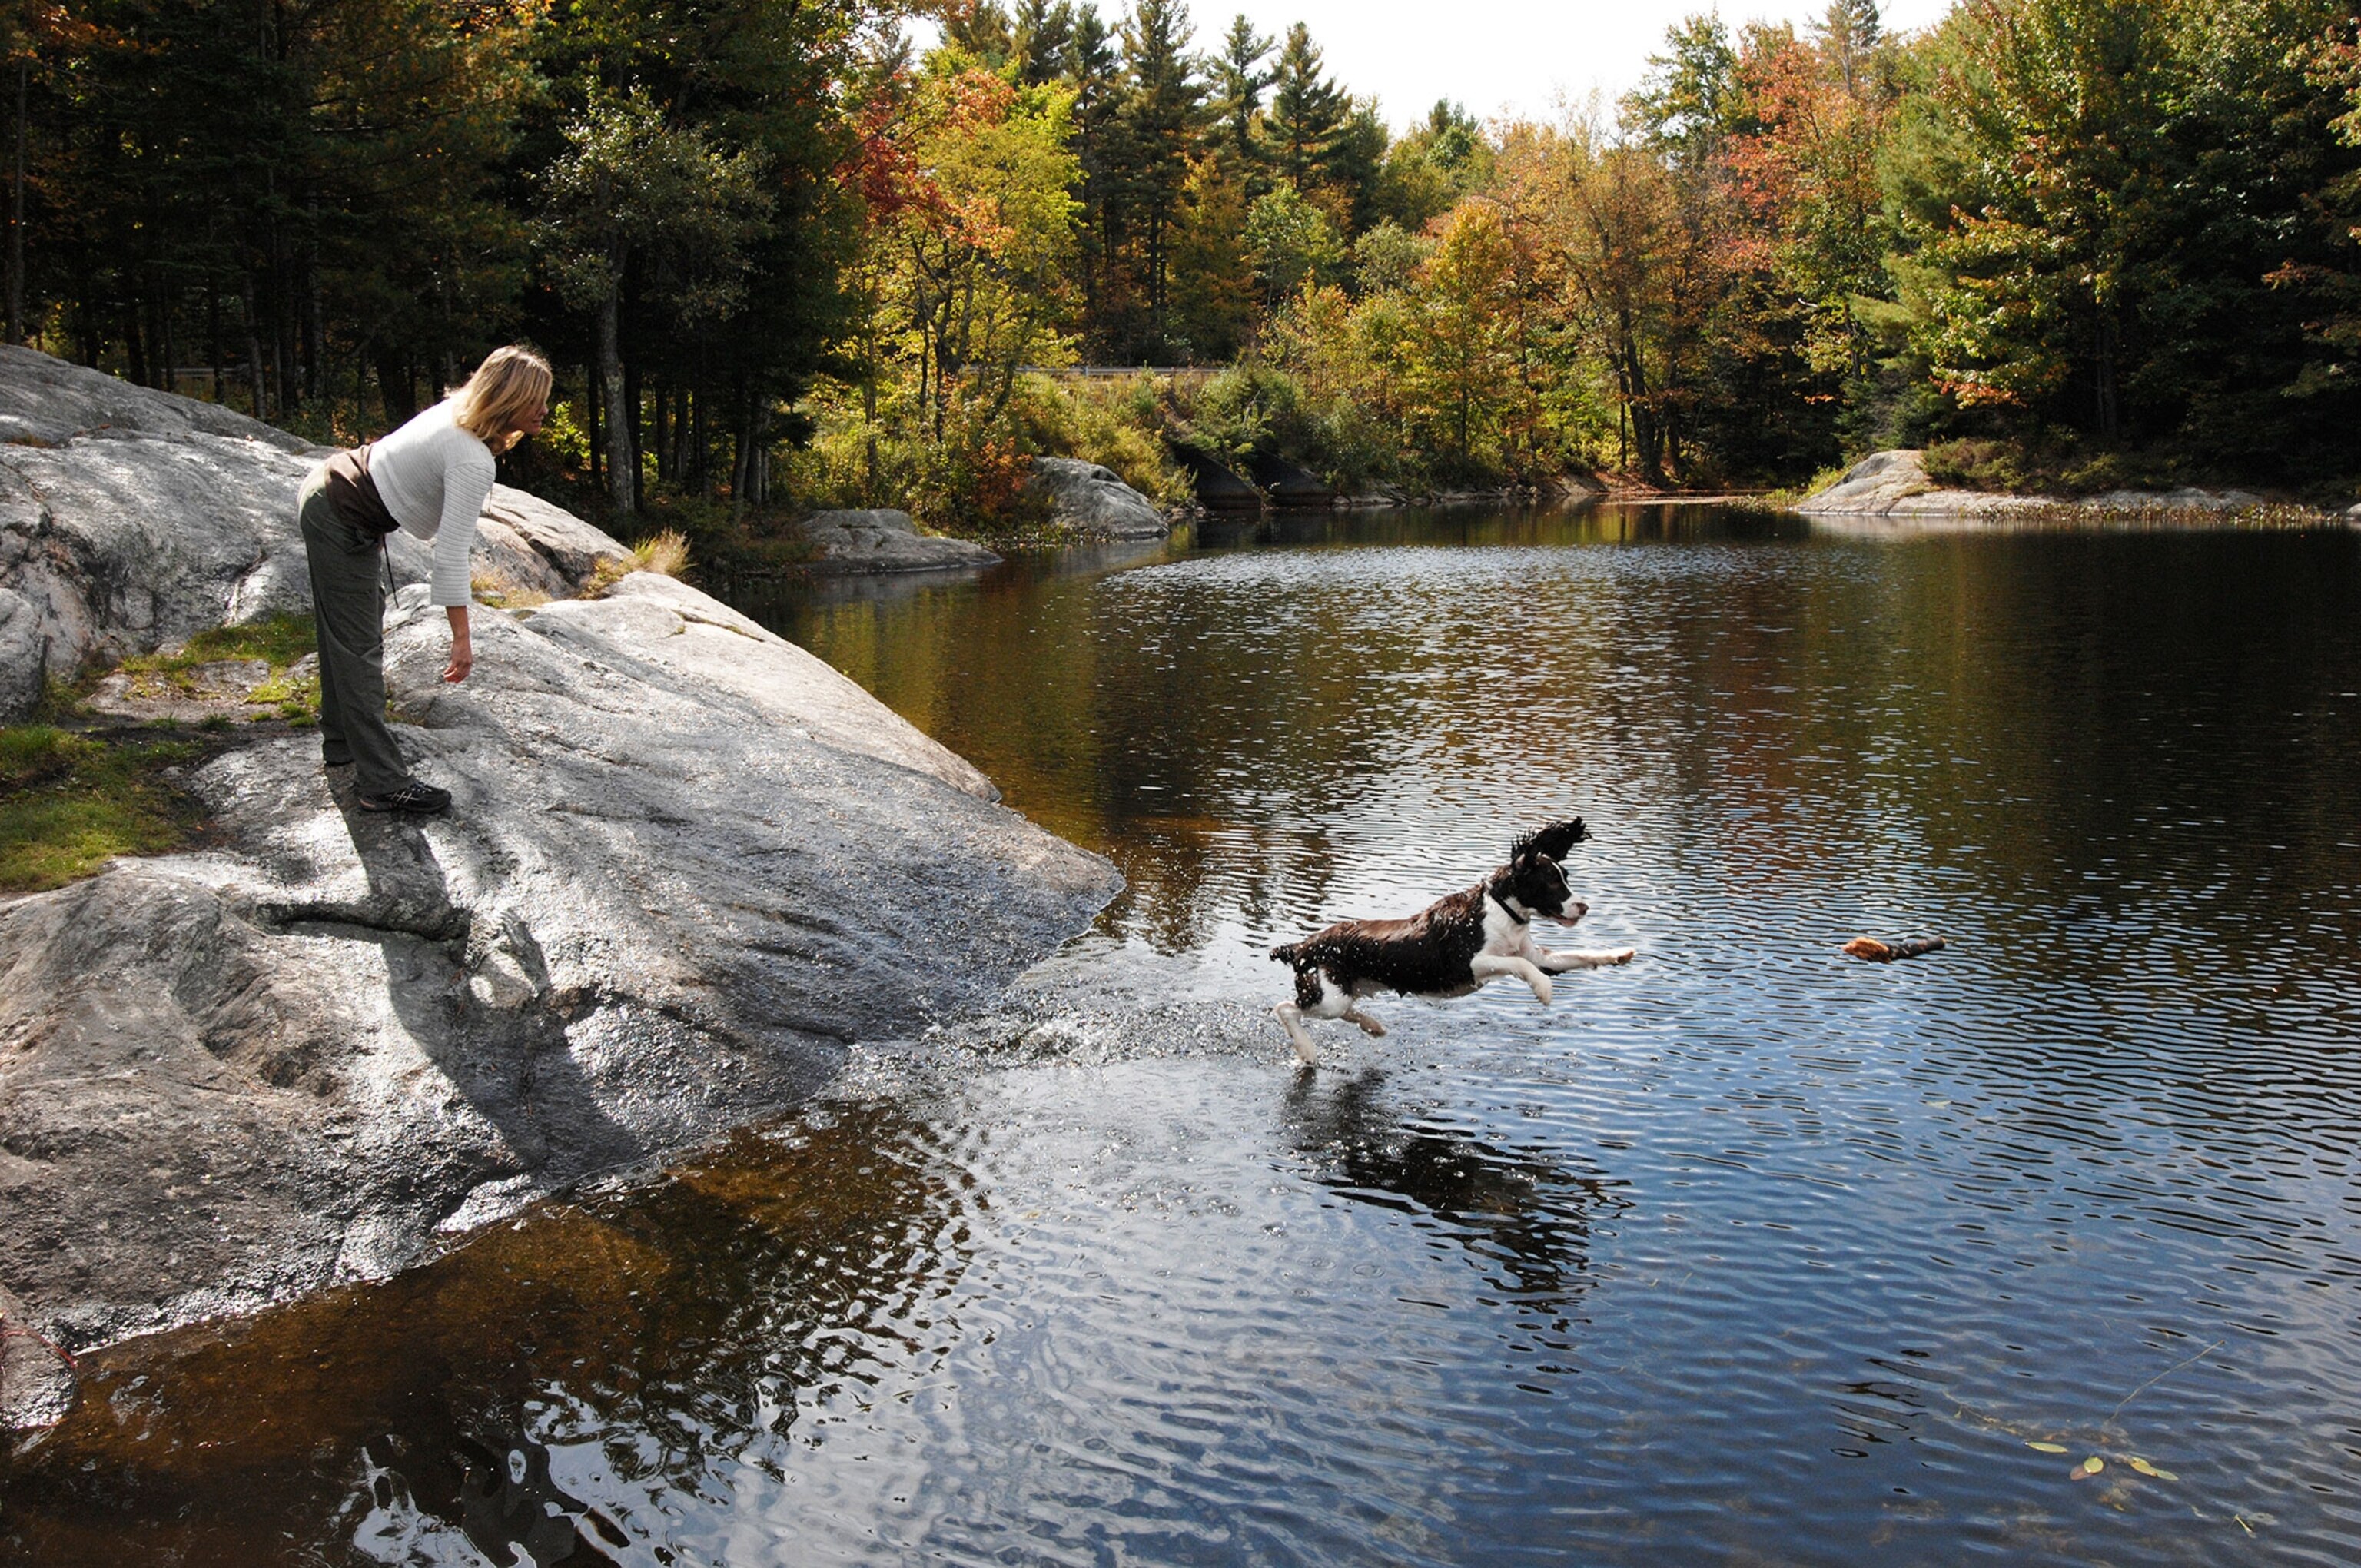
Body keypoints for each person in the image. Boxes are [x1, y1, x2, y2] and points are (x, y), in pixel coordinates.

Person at [296, 344, 552, 815]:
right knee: (358, 648)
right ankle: (382, 783)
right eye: (535, 399)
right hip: (339, 514)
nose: (544, 410)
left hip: (333, 493)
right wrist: (461, 638)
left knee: (349, 634)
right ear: (507, 398)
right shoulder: (473, 458)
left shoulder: (460, 413)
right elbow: (450, 554)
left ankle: (340, 743)